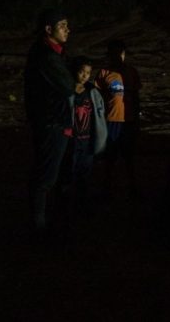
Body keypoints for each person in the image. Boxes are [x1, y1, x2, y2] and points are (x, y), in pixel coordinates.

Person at [23, 9, 76, 233]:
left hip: (51, 120)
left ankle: (46, 220)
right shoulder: (47, 56)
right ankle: (39, 226)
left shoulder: (51, 53)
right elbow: (68, 86)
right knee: (46, 176)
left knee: (49, 173)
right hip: (51, 122)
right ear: (48, 29)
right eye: (62, 25)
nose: (67, 30)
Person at [58, 56, 107, 218]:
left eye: (88, 73)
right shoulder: (66, 91)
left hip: (87, 140)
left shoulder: (92, 92)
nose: (85, 75)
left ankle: (82, 206)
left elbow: (99, 117)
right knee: (67, 174)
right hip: (70, 141)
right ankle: (63, 208)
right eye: (81, 72)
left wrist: (100, 139)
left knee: (84, 175)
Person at [95, 39, 142, 197]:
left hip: (128, 120)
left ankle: (132, 187)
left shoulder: (132, 72)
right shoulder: (104, 73)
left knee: (129, 156)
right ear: (110, 55)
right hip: (111, 120)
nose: (118, 56)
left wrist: (137, 117)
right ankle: (107, 187)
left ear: (124, 54)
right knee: (110, 155)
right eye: (114, 54)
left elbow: (136, 96)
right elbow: (97, 97)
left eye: (120, 53)